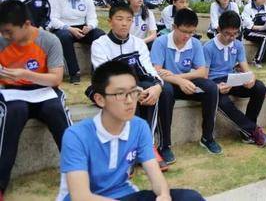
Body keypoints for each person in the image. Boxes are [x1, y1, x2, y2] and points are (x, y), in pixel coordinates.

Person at [57, 61, 204, 201]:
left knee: (190, 198)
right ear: (100, 99)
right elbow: (80, 196)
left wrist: (164, 195)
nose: (130, 101)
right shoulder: (76, 135)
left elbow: (155, 175)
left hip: (124, 195)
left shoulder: (139, 127)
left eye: (133, 92)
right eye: (120, 94)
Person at [0, 0, 72, 197]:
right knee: (13, 113)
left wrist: (25, 74)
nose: (5, 36)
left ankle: (79, 174)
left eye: (9, 31)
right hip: (12, 93)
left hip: (43, 90)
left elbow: (55, 78)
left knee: (56, 111)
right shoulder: (1, 41)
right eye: (2, 31)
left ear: (26, 24)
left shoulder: (48, 40)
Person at [90, 3, 169, 171]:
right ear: (110, 21)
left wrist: (158, 86)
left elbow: (149, 69)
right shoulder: (99, 44)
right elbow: (106, 76)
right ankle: (130, 151)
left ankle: (147, 146)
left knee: (155, 90)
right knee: (130, 98)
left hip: (135, 86)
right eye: (119, 19)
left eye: (128, 20)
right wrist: (132, 91)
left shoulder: (138, 43)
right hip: (108, 89)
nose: (124, 23)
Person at [151, 9, 220, 160]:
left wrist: (179, 77)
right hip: (168, 85)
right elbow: (156, 72)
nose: (187, 36)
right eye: (184, 31)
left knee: (211, 88)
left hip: (183, 82)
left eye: (191, 32)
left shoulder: (194, 43)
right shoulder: (161, 42)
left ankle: (207, 137)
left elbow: (202, 72)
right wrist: (179, 81)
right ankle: (164, 145)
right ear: (174, 27)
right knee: (165, 91)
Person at [203, 11, 266, 147]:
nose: (231, 37)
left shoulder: (238, 45)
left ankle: (247, 132)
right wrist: (216, 87)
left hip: (232, 79)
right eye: (227, 34)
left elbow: (246, 69)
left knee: (259, 87)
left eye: (235, 34)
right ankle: (252, 130)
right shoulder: (209, 47)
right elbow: (204, 77)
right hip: (215, 83)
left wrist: (251, 79)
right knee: (223, 102)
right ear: (219, 30)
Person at [49, 0, 105, 84]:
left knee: (100, 35)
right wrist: (69, 28)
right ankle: (74, 73)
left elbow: (93, 18)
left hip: (82, 28)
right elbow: (53, 19)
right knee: (65, 37)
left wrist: (89, 26)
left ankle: (97, 70)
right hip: (63, 28)